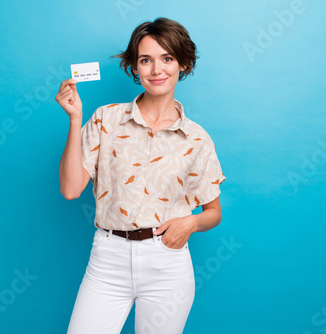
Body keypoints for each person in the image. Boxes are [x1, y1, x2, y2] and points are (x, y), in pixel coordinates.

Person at [55, 17, 226, 334]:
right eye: (146, 60)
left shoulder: (197, 139)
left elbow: (213, 213)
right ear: (135, 67)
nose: (156, 70)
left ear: (183, 65)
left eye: (168, 58)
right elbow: (69, 189)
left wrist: (191, 222)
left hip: (167, 263)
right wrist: (75, 119)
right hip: (107, 259)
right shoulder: (106, 119)